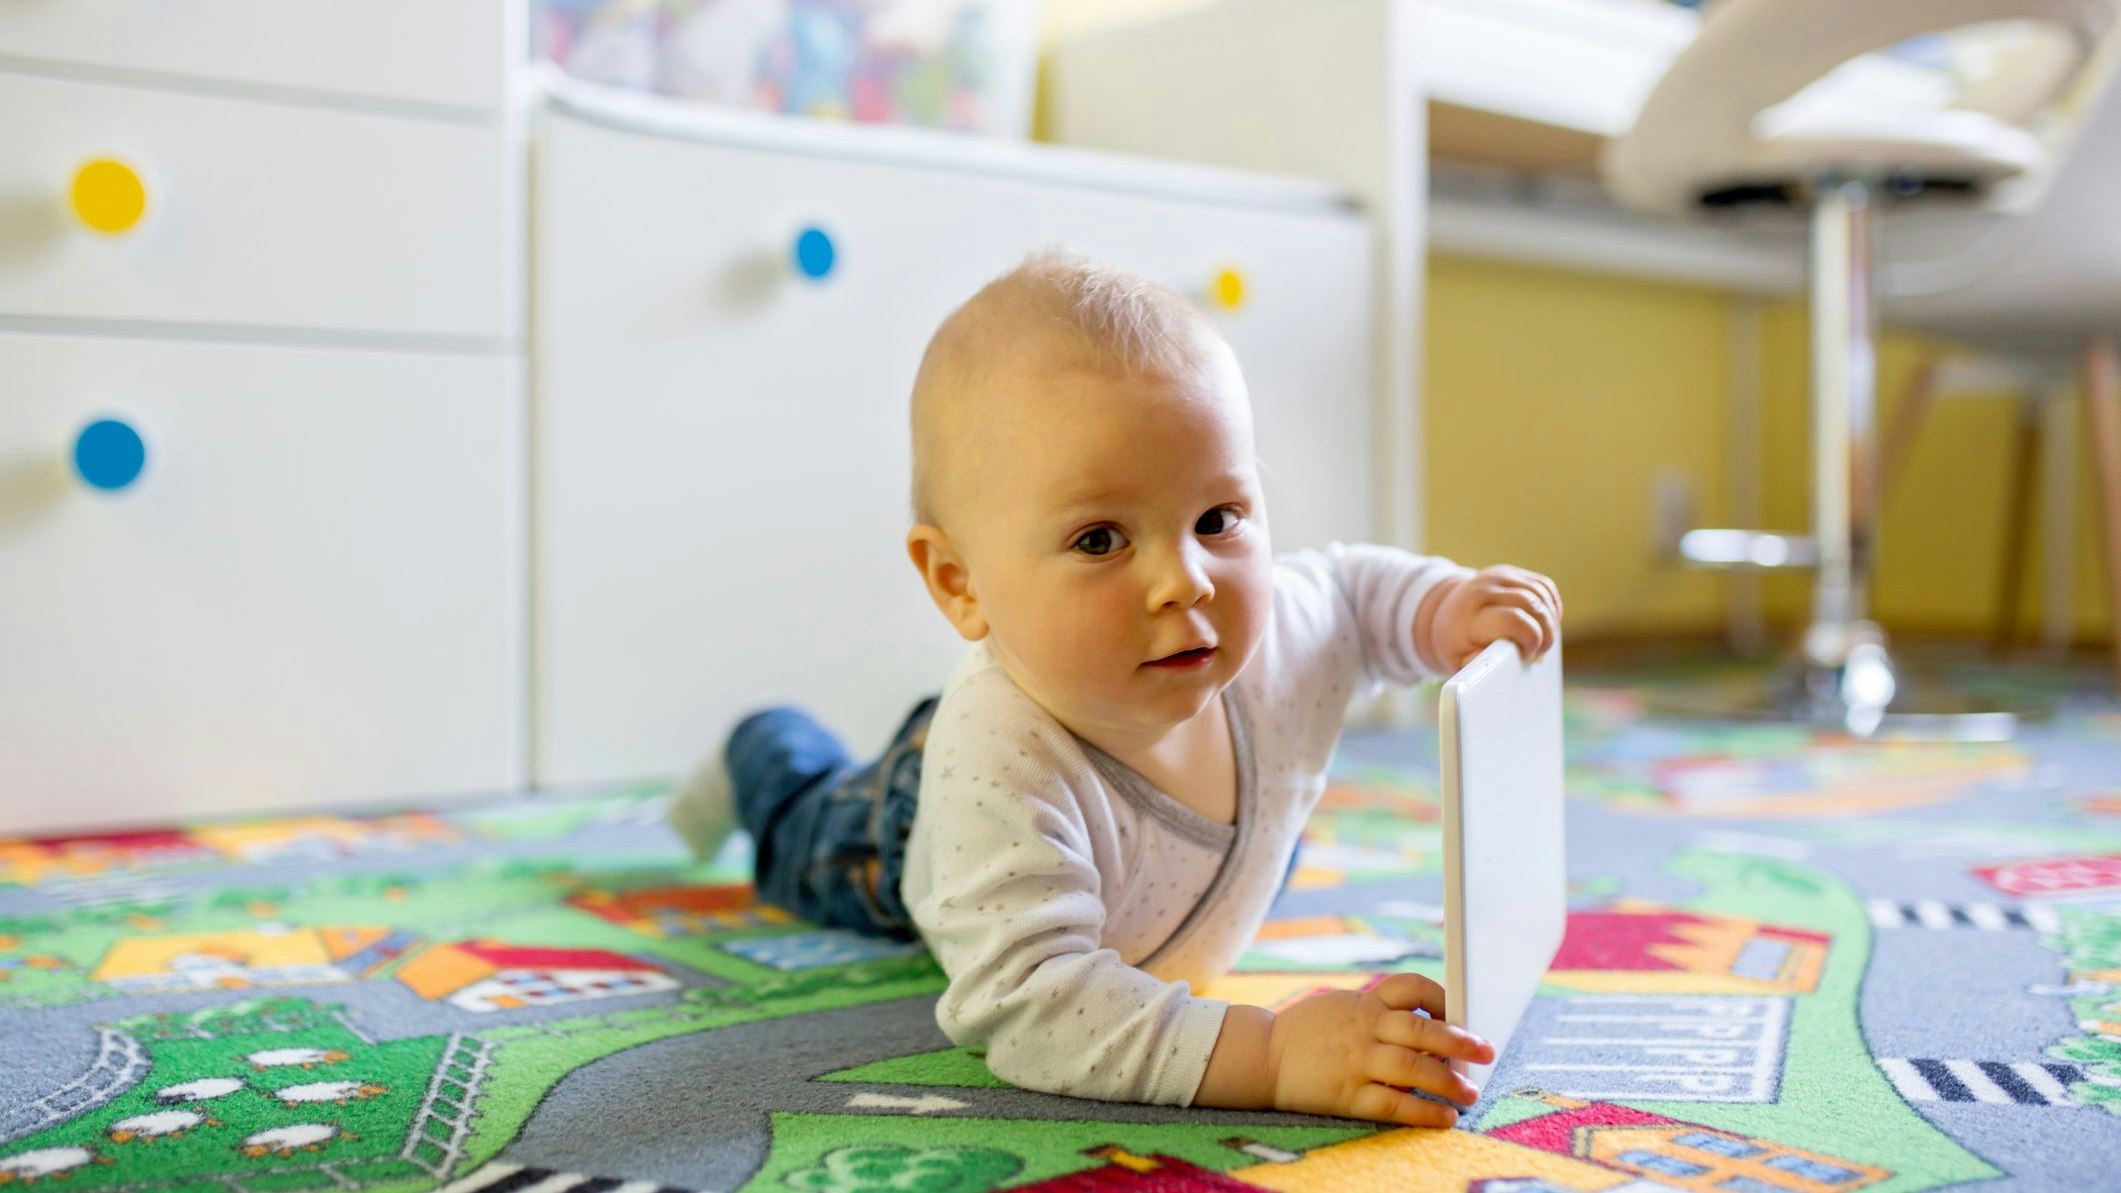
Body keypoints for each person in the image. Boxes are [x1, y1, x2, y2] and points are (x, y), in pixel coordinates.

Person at [669, 249, 1561, 1126]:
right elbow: (1030, 1009)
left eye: (1217, 519)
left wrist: (1444, 607)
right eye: (1100, 539)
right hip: (907, 816)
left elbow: (1351, 595)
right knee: (801, 824)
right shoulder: (998, 761)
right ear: (958, 583)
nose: (1186, 582)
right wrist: (1276, 1052)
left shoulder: (1270, 631)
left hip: (1177, 870)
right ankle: (761, 747)